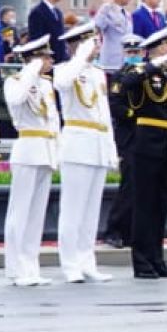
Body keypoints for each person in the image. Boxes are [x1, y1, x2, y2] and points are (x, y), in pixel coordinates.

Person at [121, 25, 167, 279]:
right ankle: (141, 261)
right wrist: (152, 64)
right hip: (146, 144)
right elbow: (126, 84)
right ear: (158, 48)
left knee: (161, 205)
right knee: (144, 205)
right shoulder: (141, 71)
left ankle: (157, 258)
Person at [53, 20, 116, 283]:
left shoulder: (97, 73)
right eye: (92, 42)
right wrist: (79, 56)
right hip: (78, 143)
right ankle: (69, 264)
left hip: (98, 142)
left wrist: (111, 148)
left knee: (91, 210)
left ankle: (86, 259)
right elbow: (63, 84)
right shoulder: (64, 69)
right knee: (73, 209)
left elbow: (105, 114)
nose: (97, 47)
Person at [1, 35, 60, 287]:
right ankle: (15, 268)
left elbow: (54, 120)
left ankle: (30, 264)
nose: (50, 61)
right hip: (27, 148)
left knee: (36, 215)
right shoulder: (14, 81)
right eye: (45, 57)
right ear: (34, 59)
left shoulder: (47, 85)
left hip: (45, 149)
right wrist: (30, 71)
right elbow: (15, 100)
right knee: (20, 211)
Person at [101, 34, 146, 249]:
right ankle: (114, 229)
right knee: (128, 184)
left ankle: (131, 231)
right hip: (129, 134)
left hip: (147, 134)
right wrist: (135, 116)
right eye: (130, 53)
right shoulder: (120, 77)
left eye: (137, 52)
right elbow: (116, 105)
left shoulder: (149, 75)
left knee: (142, 186)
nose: (134, 56)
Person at [93, 0, 133, 67]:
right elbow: (98, 25)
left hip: (125, 60)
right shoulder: (107, 11)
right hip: (111, 61)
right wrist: (106, 6)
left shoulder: (127, 14)